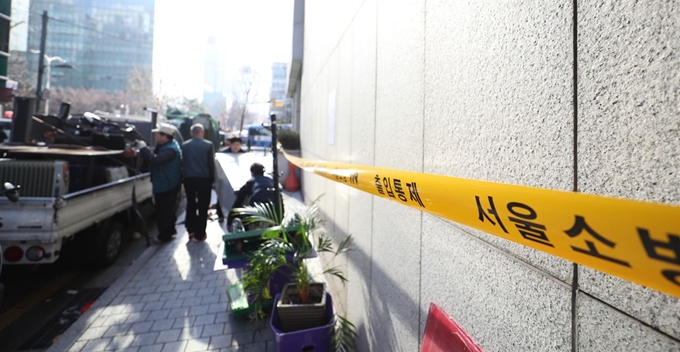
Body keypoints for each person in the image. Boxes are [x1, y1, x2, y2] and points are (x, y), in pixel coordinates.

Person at [137, 123, 182, 244]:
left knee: (163, 212)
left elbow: (155, 160)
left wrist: (143, 149)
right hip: (168, 183)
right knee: (168, 211)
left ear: (165, 137)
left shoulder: (170, 150)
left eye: (158, 134)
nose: (156, 136)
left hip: (166, 185)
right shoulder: (169, 146)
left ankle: (164, 236)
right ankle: (170, 231)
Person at [181, 123, 215, 242]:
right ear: (202, 133)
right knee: (203, 206)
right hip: (204, 179)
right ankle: (200, 234)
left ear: (191, 133)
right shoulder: (208, 145)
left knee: (190, 203)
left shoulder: (184, 146)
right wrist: (213, 180)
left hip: (188, 178)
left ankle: (190, 229)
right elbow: (211, 164)